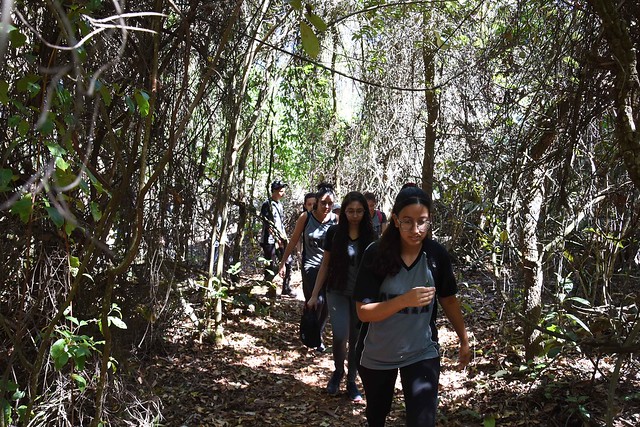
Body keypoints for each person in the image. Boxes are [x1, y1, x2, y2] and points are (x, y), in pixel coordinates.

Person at [353, 185, 471, 427]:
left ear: (430, 222)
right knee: (376, 416)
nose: (415, 230)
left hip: (421, 351)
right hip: (377, 353)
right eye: (407, 221)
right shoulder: (376, 253)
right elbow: (363, 312)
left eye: (422, 221)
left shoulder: (436, 255)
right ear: (395, 220)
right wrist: (404, 300)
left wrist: (464, 339)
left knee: (422, 420)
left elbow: (448, 299)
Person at [308, 192, 375, 401]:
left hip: (360, 295)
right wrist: (313, 295)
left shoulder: (370, 236)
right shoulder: (334, 233)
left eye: (359, 211)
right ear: (344, 211)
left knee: (356, 340)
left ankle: (351, 381)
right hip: (336, 290)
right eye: (350, 211)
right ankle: (338, 370)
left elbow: (377, 270)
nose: (354, 215)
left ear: (365, 212)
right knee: (339, 335)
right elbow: (325, 265)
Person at [278, 183, 338, 351]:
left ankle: (314, 332)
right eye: (323, 203)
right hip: (310, 266)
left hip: (329, 268)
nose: (326, 207)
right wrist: (283, 262)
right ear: (317, 202)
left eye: (330, 204)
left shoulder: (336, 220)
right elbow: (294, 240)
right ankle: (313, 335)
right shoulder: (306, 218)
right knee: (316, 299)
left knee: (326, 304)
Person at [260, 180, 293, 296]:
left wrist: (282, 238)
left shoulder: (279, 204)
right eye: (281, 191)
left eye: (283, 191)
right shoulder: (267, 204)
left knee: (288, 261)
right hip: (269, 241)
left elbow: (280, 223)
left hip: (281, 239)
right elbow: (268, 224)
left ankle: (286, 288)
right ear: (274, 191)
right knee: (270, 264)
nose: (283, 193)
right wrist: (276, 238)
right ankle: (269, 290)